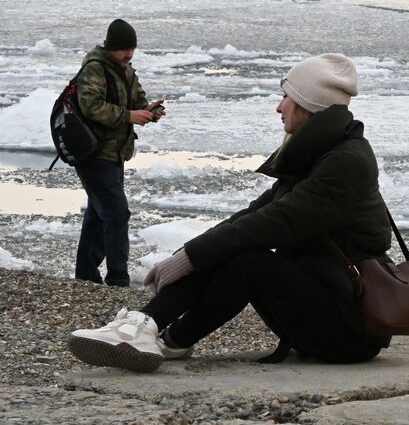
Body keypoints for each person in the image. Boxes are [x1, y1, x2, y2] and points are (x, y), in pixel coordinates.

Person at [67, 53, 391, 372]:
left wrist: (189, 259)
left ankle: (163, 335)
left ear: (309, 103)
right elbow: (251, 215)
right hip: (327, 306)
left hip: (351, 329)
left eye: (286, 97)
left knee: (248, 259)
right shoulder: (319, 154)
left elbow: (271, 224)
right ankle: (152, 329)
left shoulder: (344, 162)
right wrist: (186, 256)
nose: (279, 107)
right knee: (233, 246)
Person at [73, 18, 165, 287]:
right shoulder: (95, 69)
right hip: (93, 153)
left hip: (115, 153)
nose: (129, 54)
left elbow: (136, 100)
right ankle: (118, 278)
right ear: (111, 47)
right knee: (116, 213)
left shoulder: (126, 69)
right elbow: (90, 106)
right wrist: (129, 116)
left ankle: (85, 277)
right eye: (125, 49)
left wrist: (149, 110)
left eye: (132, 49)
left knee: (97, 214)